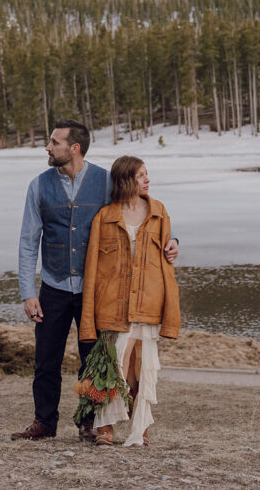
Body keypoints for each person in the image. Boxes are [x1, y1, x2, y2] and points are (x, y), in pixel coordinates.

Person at [12, 121, 178, 442]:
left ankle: (89, 423)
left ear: (74, 148)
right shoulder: (38, 186)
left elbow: (138, 214)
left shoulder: (104, 181)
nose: (48, 147)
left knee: (95, 361)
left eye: (54, 142)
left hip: (96, 291)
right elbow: (28, 242)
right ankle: (44, 423)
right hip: (53, 288)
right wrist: (28, 292)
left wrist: (174, 241)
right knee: (46, 360)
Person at [79, 155, 180, 447]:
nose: (147, 180)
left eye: (147, 174)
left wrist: (175, 244)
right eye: (141, 175)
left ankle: (140, 425)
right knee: (115, 365)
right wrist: (88, 317)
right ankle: (106, 426)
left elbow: (167, 254)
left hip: (148, 302)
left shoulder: (158, 212)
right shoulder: (105, 216)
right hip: (113, 304)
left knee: (141, 367)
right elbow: (92, 270)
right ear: (126, 180)